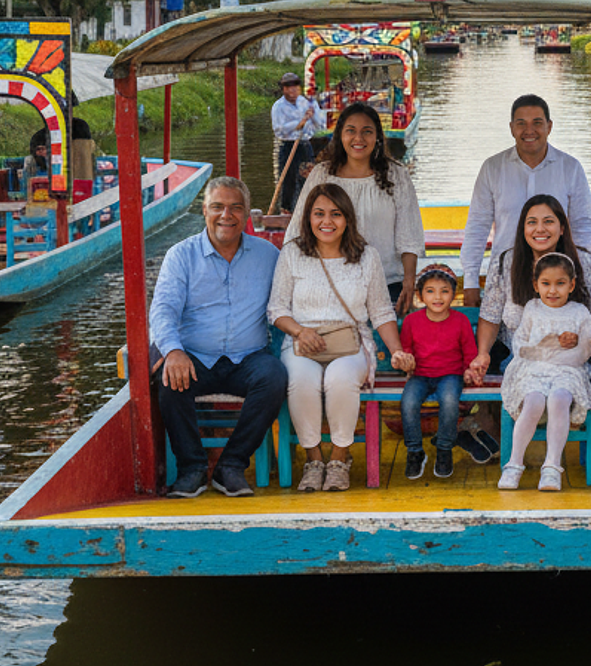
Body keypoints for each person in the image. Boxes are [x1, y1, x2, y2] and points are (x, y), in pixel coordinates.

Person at [148, 176, 286, 498]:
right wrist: (173, 351)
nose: (227, 215)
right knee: (169, 381)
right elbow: (163, 310)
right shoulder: (181, 256)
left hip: (248, 358)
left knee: (275, 376)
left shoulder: (268, 255)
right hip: (196, 356)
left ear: (248, 212)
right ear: (204, 211)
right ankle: (192, 468)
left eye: (236, 208)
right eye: (218, 207)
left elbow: (286, 304)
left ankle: (231, 465)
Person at [268, 181, 409, 492]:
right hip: (301, 341)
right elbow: (277, 308)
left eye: (335, 214)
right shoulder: (293, 253)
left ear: (347, 218)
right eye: (319, 214)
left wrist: (396, 350)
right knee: (300, 379)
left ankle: (339, 459)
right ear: (308, 218)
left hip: (351, 341)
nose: (327, 222)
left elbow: (382, 311)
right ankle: (314, 459)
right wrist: (299, 331)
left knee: (340, 378)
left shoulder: (366, 256)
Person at [286, 101, 425, 313]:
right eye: (351, 131)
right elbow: (297, 232)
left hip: (388, 283)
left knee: (387, 343)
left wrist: (409, 281)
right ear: (340, 135)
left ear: (377, 136)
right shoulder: (322, 174)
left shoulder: (396, 175)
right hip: (330, 283)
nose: (358, 139)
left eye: (367, 131)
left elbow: (409, 237)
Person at [460, 94, 591, 309]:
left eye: (537, 123)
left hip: (557, 280)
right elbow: (477, 227)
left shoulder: (570, 168)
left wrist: (584, 275)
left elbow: (584, 228)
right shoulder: (493, 168)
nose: (529, 131)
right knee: (507, 339)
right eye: (521, 123)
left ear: (549, 126)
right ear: (511, 128)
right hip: (506, 278)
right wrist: (470, 281)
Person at [496, 252, 591, 492]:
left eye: (560, 283)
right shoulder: (532, 309)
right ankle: (514, 464)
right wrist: (551, 343)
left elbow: (586, 350)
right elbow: (520, 346)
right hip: (534, 369)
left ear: (572, 285)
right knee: (533, 401)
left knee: (560, 398)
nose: (552, 290)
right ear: (536, 285)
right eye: (546, 284)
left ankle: (552, 466)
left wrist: (583, 340)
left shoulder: (579, 312)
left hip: (568, 369)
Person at [469, 194, 591, 375]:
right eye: (532, 222)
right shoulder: (505, 263)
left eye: (548, 222)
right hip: (520, 358)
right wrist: (482, 354)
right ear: (523, 229)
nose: (540, 229)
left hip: (571, 360)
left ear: (562, 228)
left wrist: (586, 338)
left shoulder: (583, 262)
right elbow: (490, 317)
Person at [394, 263, 477, 481]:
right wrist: (407, 361)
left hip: (451, 375)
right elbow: (407, 347)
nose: (437, 297)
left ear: (453, 295)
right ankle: (415, 451)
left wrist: (469, 370)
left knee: (449, 401)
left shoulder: (461, 321)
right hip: (420, 375)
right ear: (420, 296)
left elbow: (470, 350)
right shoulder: (412, 321)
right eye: (430, 291)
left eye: (444, 291)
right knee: (408, 402)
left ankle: (444, 449)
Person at [270, 72, 325, 213]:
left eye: (295, 87)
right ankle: (287, 211)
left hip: (305, 145)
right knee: (288, 180)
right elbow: (279, 129)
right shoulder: (278, 107)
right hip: (288, 146)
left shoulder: (306, 103)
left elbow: (320, 125)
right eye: (288, 87)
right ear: (283, 89)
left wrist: (313, 116)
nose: (293, 90)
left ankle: (308, 210)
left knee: (308, 178)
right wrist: (299, 123)